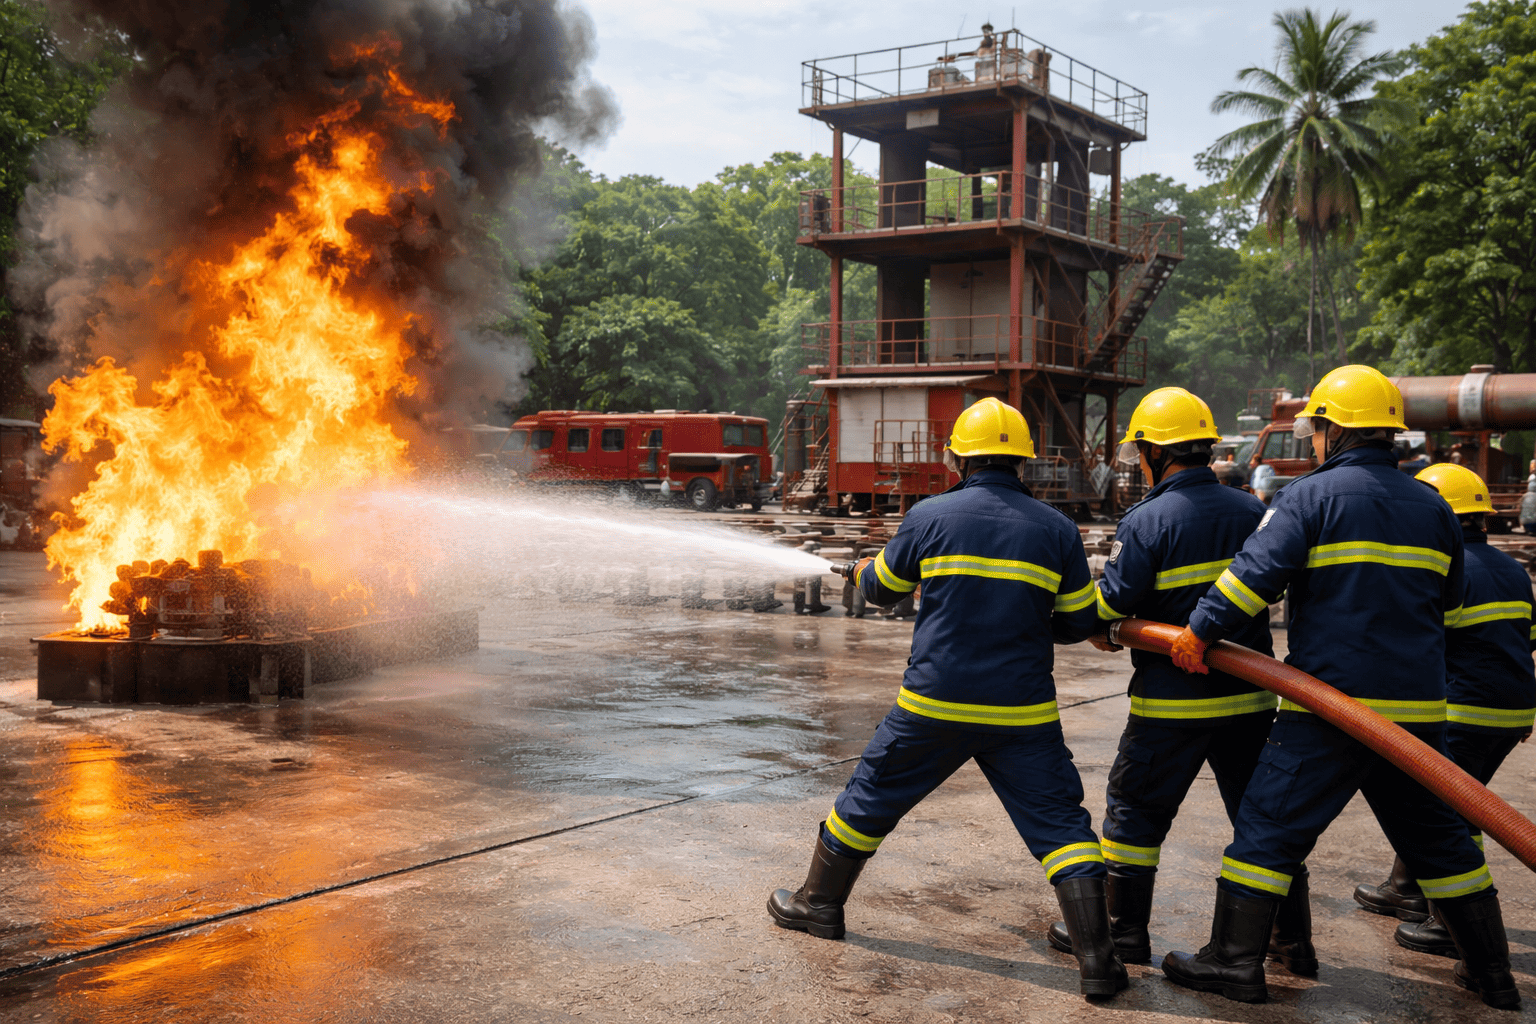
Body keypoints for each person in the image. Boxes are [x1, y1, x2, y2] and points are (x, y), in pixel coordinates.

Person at [1161, 365, 1518, 1010]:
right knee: (1438, 839)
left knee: (1267, 830)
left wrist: (1198, 632)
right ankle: (1492, 975)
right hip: (1417, 711)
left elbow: (1253, 577)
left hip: (1331, 707)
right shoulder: (1434, 506)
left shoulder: (1310, 498)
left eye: (1316, 430)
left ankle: (1236, 963)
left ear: (1330, 430)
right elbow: (1449, 599)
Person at [766, 397, 1126, 998]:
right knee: (1061, 825)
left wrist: (861, 571)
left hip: (935, 705)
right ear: (1022, 464)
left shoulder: (930, 514)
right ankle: (1097, 960)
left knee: (872, 795)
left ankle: (819, 905)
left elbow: (882, 589)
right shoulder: (1057, 530)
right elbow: (1073, 623)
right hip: (1022, 713)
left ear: (957, 456)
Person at [1045, 388, 1301, 971]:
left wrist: (1084, 624)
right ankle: (1291, 942)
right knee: (1263, 820)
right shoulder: (1251, 510)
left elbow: (1111, 605)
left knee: (1135, 814)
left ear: (1154, 453)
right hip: (1250, 700)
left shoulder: (1148, 519)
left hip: (1171, 705)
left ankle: (1123, 934)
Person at [1376, 464, 1534, 959]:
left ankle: (1451, 925)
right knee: (1435, 796)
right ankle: (1405, 886)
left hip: (1465, 709)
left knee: (1450, 811)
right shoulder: (1513, 570)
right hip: (1512, 712)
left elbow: (1421, 640)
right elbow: (1525, 641)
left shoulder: (1450, 567)